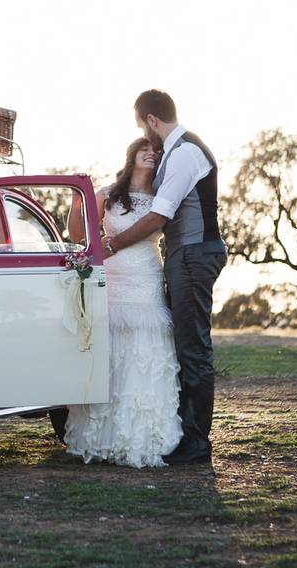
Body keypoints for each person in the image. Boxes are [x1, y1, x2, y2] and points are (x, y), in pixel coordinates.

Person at [103, 89, 227, 465]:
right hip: (183, 255)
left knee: (193, 348)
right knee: (185, 344)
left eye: (142, 126)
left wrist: (114, 244)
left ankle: (196, 443)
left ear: (150, 121)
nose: (145, 135)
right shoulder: (175, 152)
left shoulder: (185, 152)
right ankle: (184, 433)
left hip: (193, 253)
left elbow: (159, 215)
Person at [64, 137, 183, 467]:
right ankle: (102, 439)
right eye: (145, 148)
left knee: (144, 354)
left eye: (157, 152)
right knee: (112, 352)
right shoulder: (108, 194)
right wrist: (79, 198)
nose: (151, 154)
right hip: (113, 279)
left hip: (146, 279)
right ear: (131, 155)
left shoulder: (162, 197)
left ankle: (143, 436)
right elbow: (77, 234)